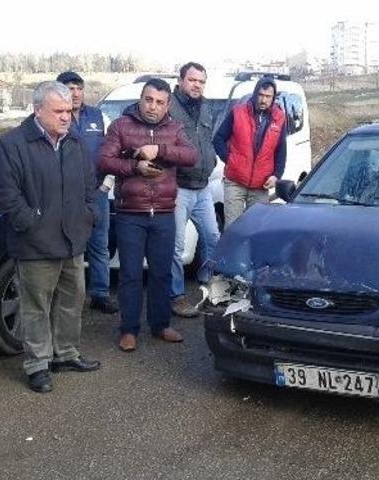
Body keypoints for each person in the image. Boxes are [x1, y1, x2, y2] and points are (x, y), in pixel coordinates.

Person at [0, 81, 101, 394]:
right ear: (38, 110)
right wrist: (30, 221)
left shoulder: (74, 143)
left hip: (72, 240)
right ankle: (38, 364)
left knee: (72, 299)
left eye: (69, 111)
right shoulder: (11, 144)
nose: (67, 117)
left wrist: (88, 214)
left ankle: (65, 354)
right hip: (34, 242)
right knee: (35, 306)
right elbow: (2, 193)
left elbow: (89, 185)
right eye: (59, 111)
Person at [99, 78, 197, 352]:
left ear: (167, 105)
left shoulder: (174, 127)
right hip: (131, 212)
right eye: (149, 100)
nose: (153, 107)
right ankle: (129, 329)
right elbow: (104, 160)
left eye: (160, 102)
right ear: (141, 99)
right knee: (130, 275)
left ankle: (160, 324)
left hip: (164, 212)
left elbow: (192, 156)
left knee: (161, 273)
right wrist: (135, 166)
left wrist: (161, 150)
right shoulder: (121, 125)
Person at [56, 71, 118, 315]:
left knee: (99, 244)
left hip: (97, 192)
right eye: (70, 88)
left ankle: (100, 294)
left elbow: (113, 148)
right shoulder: (56, 118)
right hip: (66, 194)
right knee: (68, 244)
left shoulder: (97, 115)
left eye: (79, 88)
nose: (76, 93)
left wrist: (108, 182)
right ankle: (68, 298)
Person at [167, 62, 221, 318]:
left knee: (213, 238)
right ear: (180, 81)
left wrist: (210, 162)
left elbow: (209, 141)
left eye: (201, 81)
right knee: (176, 247)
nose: (197, 85)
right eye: (192, 80)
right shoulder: (169, 106)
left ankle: (206, 286)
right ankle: (175, 296)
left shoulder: (207, 108)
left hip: (202, 187)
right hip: (179, 187)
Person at [213, 77, 287, 226]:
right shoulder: (238, 113)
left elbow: (281, 150)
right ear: (255, 94)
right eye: (261, 95)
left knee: (256, 228)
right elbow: (218, 139)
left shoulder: (279, 118)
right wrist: (230, 160)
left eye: (268, 97)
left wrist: (276, 175)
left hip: (261, 185)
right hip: (235, 182)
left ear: (273, 98)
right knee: (232, 228)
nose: (263, 100)